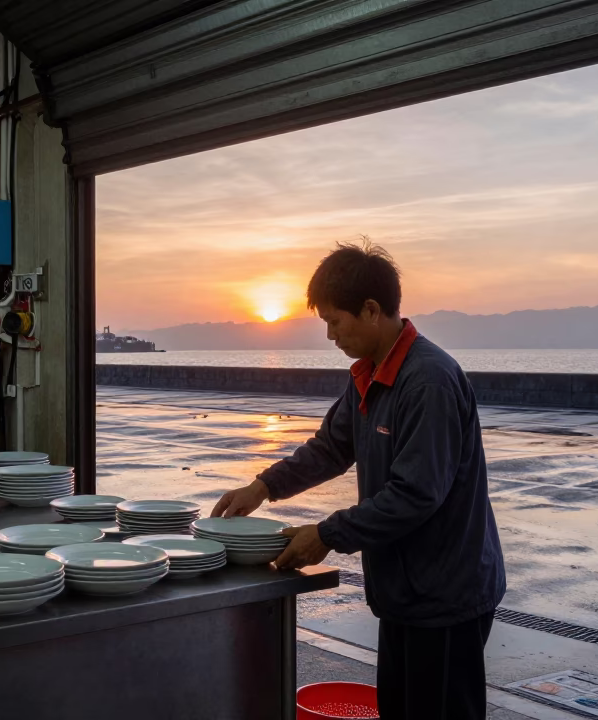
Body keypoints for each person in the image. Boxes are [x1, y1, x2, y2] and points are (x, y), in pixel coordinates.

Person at [212, 242, 505, 720]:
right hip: (404, 590)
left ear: (371, 310)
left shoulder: (428, 380)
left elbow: (416, 493)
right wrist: (262, 487)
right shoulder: (369, 374)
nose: (330, 335)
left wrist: (327, 535)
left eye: (335, 321)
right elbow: (331, 447)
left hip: (447, 591)